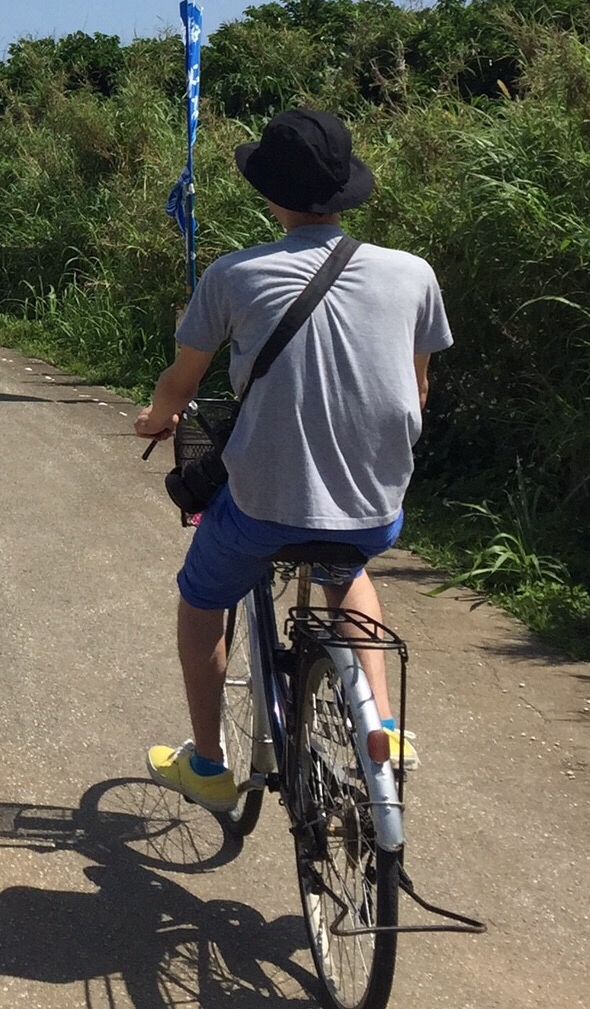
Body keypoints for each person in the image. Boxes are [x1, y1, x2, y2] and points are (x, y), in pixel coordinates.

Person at [133, 107, 451, 811]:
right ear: (344, 191)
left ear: (269, 194)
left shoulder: (234, 274)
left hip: (262, 509)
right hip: (375, 506)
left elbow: (179, 386)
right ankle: (384, 730)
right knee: (347, 569)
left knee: (199, 599)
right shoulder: (412, 274)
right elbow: (417, 393)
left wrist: (155, 420)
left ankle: (210, 768)